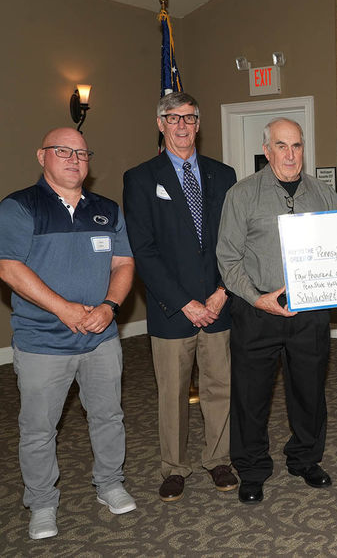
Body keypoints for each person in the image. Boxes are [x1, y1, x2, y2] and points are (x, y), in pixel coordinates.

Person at [0, 128, 136, 539]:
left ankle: (110, 483)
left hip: (100, 339)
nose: (74, 158)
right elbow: (9, 268)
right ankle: (41, 503)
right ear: (43, 156)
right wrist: (65, 310)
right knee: (39, 429)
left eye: (81, 152)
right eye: (63, 151)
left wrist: (110, 307)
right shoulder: (20, 206)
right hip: (43, 343)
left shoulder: (107, 209)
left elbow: (124, 264)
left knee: (108, 416)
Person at [217, 117, 337, 504]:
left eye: (297, 146)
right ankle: (252, 469)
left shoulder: (324, 195)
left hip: (310, 313)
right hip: (257, 311)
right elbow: (228, 258)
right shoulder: (242, 195)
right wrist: (257, 298)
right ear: (267, 150)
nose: (290, 154)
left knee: (308, 392)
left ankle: (305, 458)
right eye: (282, 146)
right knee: (251, 397)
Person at [123, 92, 238, 502]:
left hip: (219, 303)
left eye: (190, 118)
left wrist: (223, 293)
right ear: (160, 124)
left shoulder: (224, 175)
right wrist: (186, 302)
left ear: (199, 123)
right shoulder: (140, 178)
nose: (183, 126)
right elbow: (144, 250)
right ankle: (174, 467)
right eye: (174, 119)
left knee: (219, 387)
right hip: (171, 309)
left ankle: (218, 459)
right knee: (172, 394)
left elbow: (232, 241)